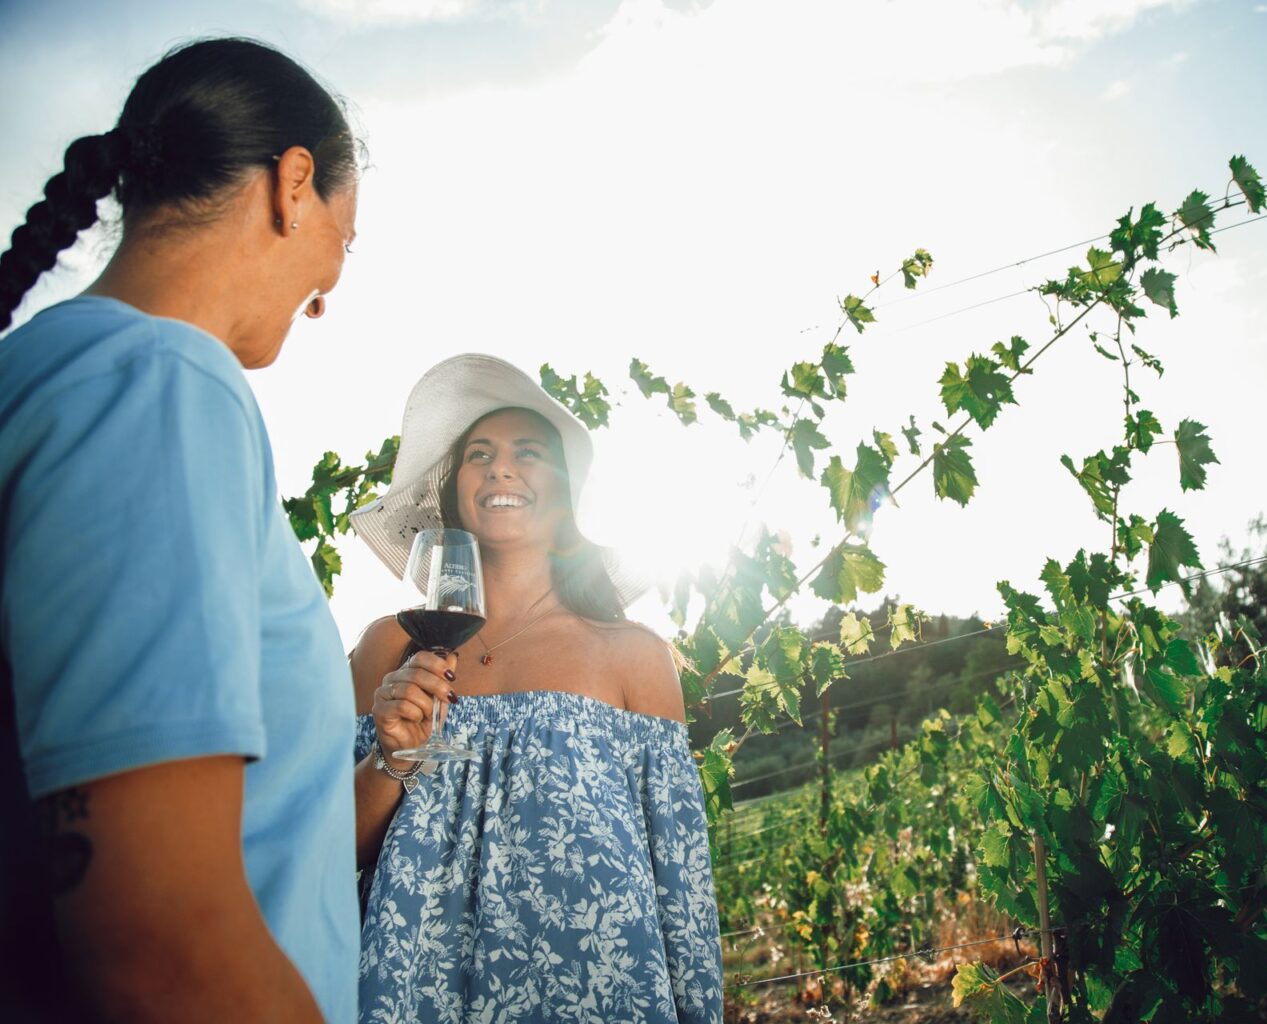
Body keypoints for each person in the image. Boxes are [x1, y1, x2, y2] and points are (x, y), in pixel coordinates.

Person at [0, 38, 362, 1024]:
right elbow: (160, 942)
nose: (328, 294)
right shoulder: (159, 383)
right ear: (293, 186)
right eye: (346, 237)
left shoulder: (39, 373)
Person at [349, 353, 724, 1023]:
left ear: (573, 494)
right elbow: (332, 854)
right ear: (455, 487)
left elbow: (682, 890)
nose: (500, 467)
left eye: (530, 453)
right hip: (418, 999)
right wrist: (390, 760)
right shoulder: (390, 648)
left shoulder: (633, 658)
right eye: (479, 454)